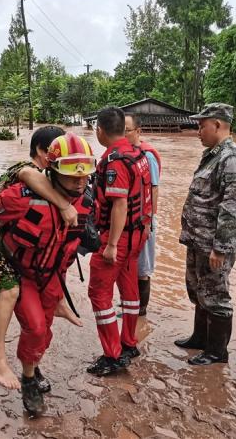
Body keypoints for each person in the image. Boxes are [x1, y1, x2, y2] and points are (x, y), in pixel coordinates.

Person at [0, 132, 96, 415]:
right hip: (22, 272)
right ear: (51, 170)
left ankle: (32, 365)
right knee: (36, 327)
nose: (79, 181)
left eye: (85, 175)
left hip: (51, 276)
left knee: (44, 333)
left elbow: (70, 246)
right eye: (71, 175)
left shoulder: (86, 201)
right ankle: (28, 379)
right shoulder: (21, 197)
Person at [174, 103, 236, 366]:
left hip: (213, 245)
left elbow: (231, 208)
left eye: (201, 125)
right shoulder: (213, 155)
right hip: (197, 240)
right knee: (198, 290)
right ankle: (199, 338)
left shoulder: (231, 159)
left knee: (216, 295)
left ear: (217, 124)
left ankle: (217, 352)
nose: (198, 131)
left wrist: (221, 248)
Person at [87, 107, 152, 376]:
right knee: (129, 291)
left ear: (100, 131)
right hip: (139, 234)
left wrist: (111, 244)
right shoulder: (139, 154)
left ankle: (112, 355)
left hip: (119, 237)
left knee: (99, 293)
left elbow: (119, 204)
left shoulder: (115, 162)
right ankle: (129, 342)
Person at [124, 113, 161, 316]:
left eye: (126, 131)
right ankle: (132, 306)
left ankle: (141, 312)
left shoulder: (146, 156)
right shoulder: (125, 153)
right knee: (131, 265)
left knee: (143, 268)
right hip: (131, 219)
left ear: (138, 131)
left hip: (144, 219)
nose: (123, 135)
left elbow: (154, 189)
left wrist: (149, 220)